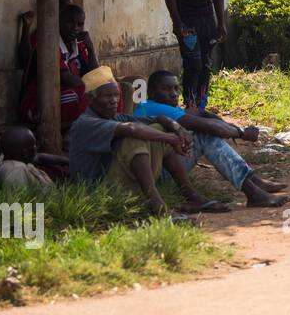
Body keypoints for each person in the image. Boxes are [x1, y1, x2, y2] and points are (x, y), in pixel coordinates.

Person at [68, 66, 227, 217]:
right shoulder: (85, 123)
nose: (114, 101)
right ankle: (158, 208)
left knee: (157, 128)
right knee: (134, 138)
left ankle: (191, 195)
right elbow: (132, 129)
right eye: (107, 96)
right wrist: (172, 138)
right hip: (98, 192)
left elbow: (160, 119)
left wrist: (179, 129)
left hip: (120, 184)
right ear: (90, 99)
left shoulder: (115, 117)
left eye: (116, 95)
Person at [133, 70, 287, 207]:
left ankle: (254, 182)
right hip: (155, 180)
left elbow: (201, 114)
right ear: (152, 93)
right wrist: (241, 133)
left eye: (175, 88)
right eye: (166, 89)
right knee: (205, 136)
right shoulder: (153, 107)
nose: (173, 94)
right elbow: (209, 127)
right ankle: (253, 191)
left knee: (205, 132)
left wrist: (228, 127)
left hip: (160, 172)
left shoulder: (158, 105)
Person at [16, 1, 99, 135]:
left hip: (66, 96)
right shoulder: (48, 43)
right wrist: (97, 89)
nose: (75, 28)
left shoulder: (78, 44)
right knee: (86, 93)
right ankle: (77, 134)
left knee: (113, 89)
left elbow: (95, 74)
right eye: (70, 23)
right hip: (37, 103)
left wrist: (90, 47)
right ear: (58, 22)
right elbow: (68, 80)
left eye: (80, 24)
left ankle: (98, 130)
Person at [0, 125, 68, 189]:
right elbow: (20, 201)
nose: (36, 147)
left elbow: (39, 157)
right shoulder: (17, 171)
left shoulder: (11, 155)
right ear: (25, 153)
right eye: (34, 145)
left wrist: (68, 160)